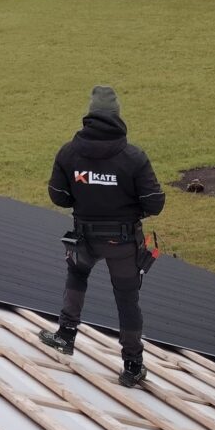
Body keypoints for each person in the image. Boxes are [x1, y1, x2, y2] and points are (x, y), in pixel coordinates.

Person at [41, 85, 165, 387]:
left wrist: (85, 196)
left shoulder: (69, 153)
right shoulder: (134, 157)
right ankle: (132, 365)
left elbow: (58, 195)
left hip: (84, 237)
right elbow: (154, 203)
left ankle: (66, 335)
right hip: (122, 241)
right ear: (117, 116)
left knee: (77, 275)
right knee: (126, 298)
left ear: (90, 115)